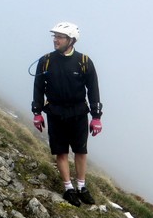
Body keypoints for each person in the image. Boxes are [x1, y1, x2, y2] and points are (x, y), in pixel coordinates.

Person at [31, 21, 103, 207]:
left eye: (60, 37)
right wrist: (37, 113)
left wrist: (96, 117)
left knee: (80, 150)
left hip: (79, 112)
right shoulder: (45, 60)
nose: (56, 40)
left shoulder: (84, 62)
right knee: (61, 151)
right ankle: (68, 188)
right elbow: (38, 88)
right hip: (55, 112)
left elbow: (93, 89)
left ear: (71, 40)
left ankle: (81, 186)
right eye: (54, 36)